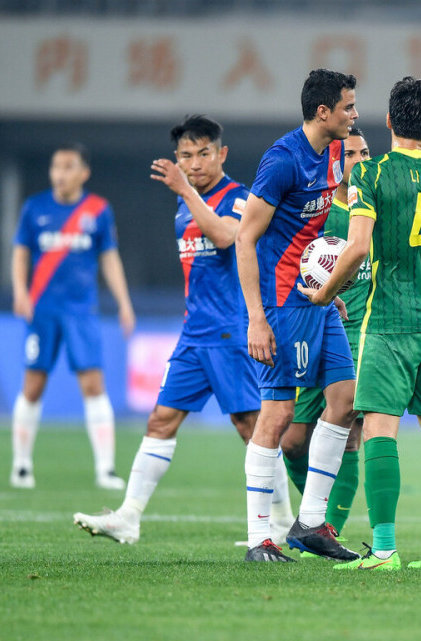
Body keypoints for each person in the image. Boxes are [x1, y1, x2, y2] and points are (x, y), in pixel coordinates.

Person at [72, 115, 291, 544]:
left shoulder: (239, 198)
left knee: (252, 429)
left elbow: (229, 238)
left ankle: (282, 521)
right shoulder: (184, 205)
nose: (194, 163)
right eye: (185, 156)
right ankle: (129, 517)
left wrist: (187, 192)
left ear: (221, 154)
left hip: (233, 332)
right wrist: (188, 196)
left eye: (203, 153)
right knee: (161, 420)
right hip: (195, 335)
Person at [301, 76, 421, 571]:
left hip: (388, 319)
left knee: (378, 428)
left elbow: (355, 249)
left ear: (390, 121)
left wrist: (323, 293)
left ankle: (382, 549)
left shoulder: (370, 176)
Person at [235, 69, 361, 563]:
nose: (355, 114)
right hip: (279, 305)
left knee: (345, 399)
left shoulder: (335, 153)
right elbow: (246, 238)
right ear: (323, 112)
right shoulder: (282, 161)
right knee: (279, 415)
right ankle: (258, 538)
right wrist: (255, 318)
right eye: (348, 107)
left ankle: (309, 524)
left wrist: (327, 286)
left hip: (317, 301)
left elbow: (311, 233)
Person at [10, 143, 134, 490]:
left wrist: (124, 301)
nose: (59, 174)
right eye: (55, 167)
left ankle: (105, 469)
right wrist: (20, 290)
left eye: (67, 167)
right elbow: (20, 251)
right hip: (42, 310)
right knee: (33, 385)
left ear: (84, 172)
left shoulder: (98, 210)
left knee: (93, 385)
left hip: (81, 311)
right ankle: (21, 465)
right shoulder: (34, 208)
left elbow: (109, 258)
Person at [280, 127, 371, 547]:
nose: (360, 160)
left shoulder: (376, 210)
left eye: (366, 152)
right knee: (293, 441)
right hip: (317, 328)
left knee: (350, 425)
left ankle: (326, 527)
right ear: (335, 161)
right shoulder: (320, 214)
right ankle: (312, 516)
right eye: (351, 153)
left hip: (361, 334)